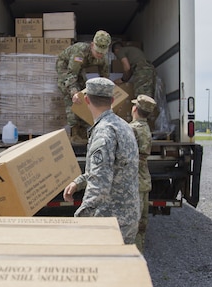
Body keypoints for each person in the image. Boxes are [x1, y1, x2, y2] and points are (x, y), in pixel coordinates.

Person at [63, 77, 140, 244]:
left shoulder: (103, 132)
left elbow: (100, 182)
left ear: (86, 100)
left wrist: (81, 217)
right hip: (128, 216)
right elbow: (115, 166)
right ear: (112, 100)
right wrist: (79, 182)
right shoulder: (124, 125)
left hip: (111, 221)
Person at [56, 30, 111, 144]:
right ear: (92, 45)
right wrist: (74, 92)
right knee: (73, 96)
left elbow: (105, 78)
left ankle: (83, 131)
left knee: (86, 94)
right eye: (97, 52)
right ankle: (74, 132)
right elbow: (72, 74)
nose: (100, 55)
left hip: (79, 69)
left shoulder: (103, 58)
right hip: (66, 67)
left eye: (102, 53)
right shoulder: (79, 52)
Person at [129, 95, 157, 253]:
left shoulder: (132, 128)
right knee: (142, 224)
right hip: (144, 180)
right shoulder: (145, 128)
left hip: (134, 182)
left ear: (135, 109)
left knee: (133, 224)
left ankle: (134, 256)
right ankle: (140, 252)